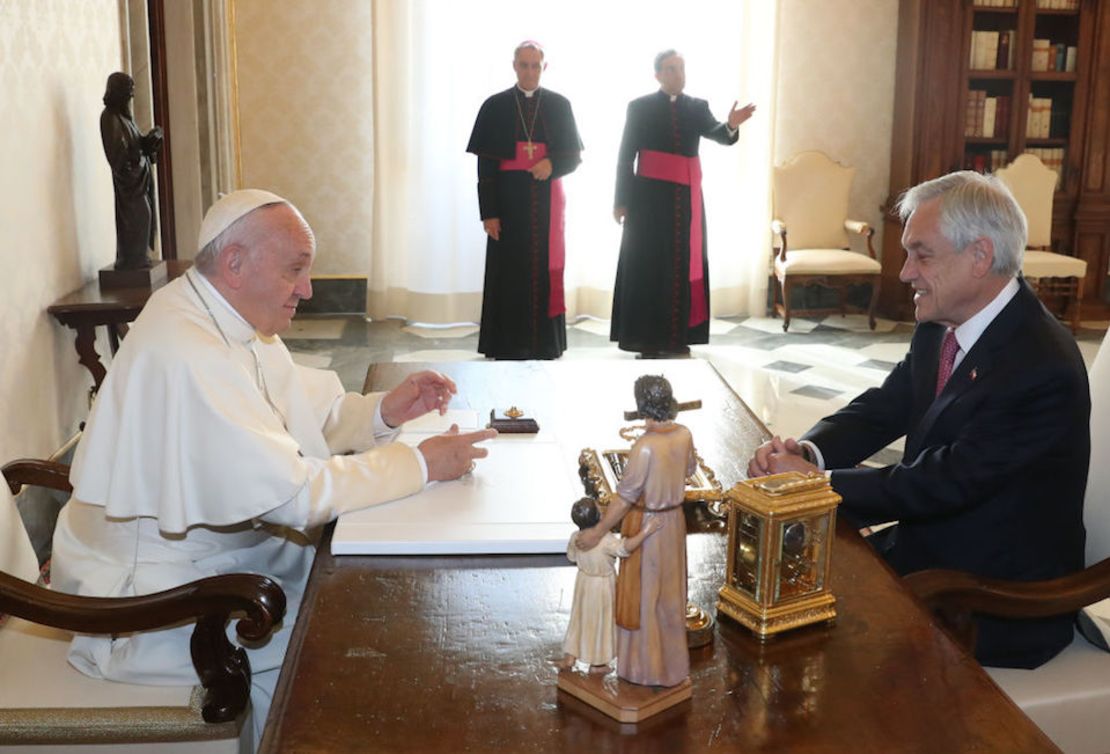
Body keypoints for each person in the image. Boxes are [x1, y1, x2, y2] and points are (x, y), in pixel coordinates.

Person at [50, 189, 497, 747]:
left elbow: (295, 421)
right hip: (159, 607)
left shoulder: (224, 314)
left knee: (381, 606)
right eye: (296, 271)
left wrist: (382, 412)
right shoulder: (187, 348)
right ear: (235, 263)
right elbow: (293, 495)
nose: (307, 291)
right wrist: (419, 463)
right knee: (363, 642)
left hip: (223, 561)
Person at [748, 170, 1090, 670]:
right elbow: (888, 405)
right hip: (929, 552)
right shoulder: (943, 320)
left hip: (992, 599)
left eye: (921, 254)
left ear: (980, 256)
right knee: (766, 590)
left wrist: (816, 486)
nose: (905, 272)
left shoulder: (1040, 366)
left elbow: (945, 481)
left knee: (796, 647)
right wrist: (809, 452)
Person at [610, 50, 755, 358]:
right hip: (647, 201)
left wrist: (730, 124)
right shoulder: (639, 107)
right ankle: (647, 338)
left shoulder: (696, 107)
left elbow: (720, 135)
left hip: (684, 203)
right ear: (658, 75)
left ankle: (678, 337)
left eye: (681, 68)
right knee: (648, 266)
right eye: (671, 69)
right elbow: (625, 156)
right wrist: (621, 201)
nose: (678, 74)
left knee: (681, 266)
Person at [576, 375, 696, 687]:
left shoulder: (644, 447)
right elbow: (690, 470)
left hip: (648, 526)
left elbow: (624, 497)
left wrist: (598, 531)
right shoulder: (684, 434)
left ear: (642, 405)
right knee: (671, 597)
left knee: (646, 598)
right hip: (675, 523)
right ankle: (672, 668)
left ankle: (646, 669)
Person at [466, 41, 583, 359]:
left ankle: (546, 344)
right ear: (514, 66)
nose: (530, 71)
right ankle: (506, 344)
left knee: (545, 271)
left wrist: (553, 164)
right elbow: (485, 166)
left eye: (535, 65)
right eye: (524, 65)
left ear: (544, 67)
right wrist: (488, 212)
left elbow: (573, 158)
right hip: (508, 202)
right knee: (508, 274)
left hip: (546, 205)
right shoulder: (495, 106)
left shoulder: (559, 105)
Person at [560, 497, 662, 674]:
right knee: (600, 623)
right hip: (602, 586)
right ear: (598, 517)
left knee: (579, 619)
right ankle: (598, 664)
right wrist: (646, 531)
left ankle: (571, 656)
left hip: (583, 583)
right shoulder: (605, 540)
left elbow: (571, 557)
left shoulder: (576, 537)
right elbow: (625, 548)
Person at [100, 71, 163, 270]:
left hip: (139, 181)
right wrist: (138, 158)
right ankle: (132, 260)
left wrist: (150, 141)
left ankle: (138, 258)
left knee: (145, 216)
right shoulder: (109, 118)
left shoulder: (125, 118)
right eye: (128, 92)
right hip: (130, 185)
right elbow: (117, 157)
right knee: (138, 217)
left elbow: (136, 144)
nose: (132, 97)